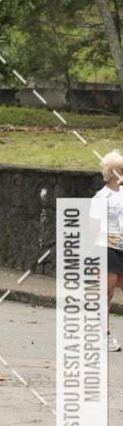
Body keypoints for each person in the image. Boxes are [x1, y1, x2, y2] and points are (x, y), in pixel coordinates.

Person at [91, 149, 123, 352]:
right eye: (121, 169)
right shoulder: (101, 197)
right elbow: (93, 226)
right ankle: (104, 334)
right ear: (112, 172)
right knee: (107, 293)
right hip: (107, 248)